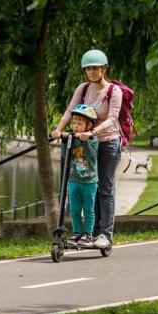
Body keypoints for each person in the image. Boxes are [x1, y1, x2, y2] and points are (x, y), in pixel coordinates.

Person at [51, 49, 123, 250]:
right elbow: (70, 110)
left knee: (104, 188)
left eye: (95, 68)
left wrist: (94, 132)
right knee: (83, 182)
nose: (91, 71)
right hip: (84, 143)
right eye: (88, 68)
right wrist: (58, 129)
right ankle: (85, 232)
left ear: (104, 69)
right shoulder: (83, 89)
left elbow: (113, 118)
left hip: (107, 142)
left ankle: (105, 234)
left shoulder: (113, 92)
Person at [63, 104, 100, 246]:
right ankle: (77, 232)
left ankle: (88, 234)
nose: (76, 126)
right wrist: (64, 139)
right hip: (73, 180)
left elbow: (91, 155)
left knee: (88, 209)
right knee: (75, 209)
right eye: (74, 123)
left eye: (80, 123)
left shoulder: (93, 140)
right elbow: (64, 155)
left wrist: (86, 140)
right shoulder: (71, 138)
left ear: (88, 125)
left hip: (89, 181)